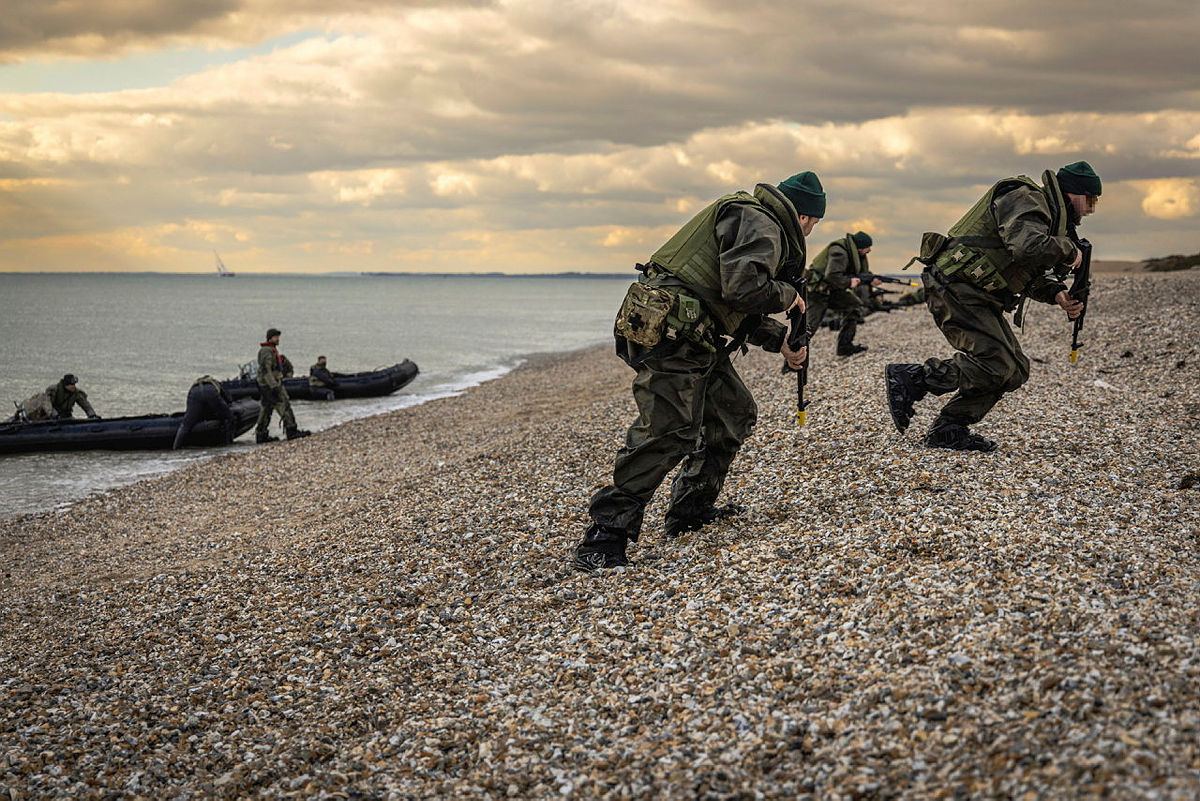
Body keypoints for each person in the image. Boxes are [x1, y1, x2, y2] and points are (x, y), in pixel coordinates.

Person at [573, 171, 825, 571]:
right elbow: (743, 289)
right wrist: (789, 296)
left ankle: (689, 511)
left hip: (694, 334)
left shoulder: (753, 217)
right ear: (808, 218)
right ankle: (604, 536)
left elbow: (724, 299)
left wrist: (779, 339)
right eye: (813, 224)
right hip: (676, 335)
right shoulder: (762, 222)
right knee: (669, 429)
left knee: (732, 414)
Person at [886, 161, 1100, 452]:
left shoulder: (1045, 218)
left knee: (1015, 370)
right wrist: (1068, 250)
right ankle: (914, 378)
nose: (1091, 209)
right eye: (1090, 200)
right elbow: (1026, 247)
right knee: (996, 364)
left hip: (976, 294)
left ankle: (949, 428)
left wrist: (1057, 294)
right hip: (955, 287)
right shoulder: (1025, 197)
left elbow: (1024, 270)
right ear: (1072, 193)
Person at [804, 231, 879, 357]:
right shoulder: (840, 252)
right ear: (860, 247)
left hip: (832, 290)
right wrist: (850, 282)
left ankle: (845, 346)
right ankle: (791, 361)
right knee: (809, 327)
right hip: (818, 291)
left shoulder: (850, 252)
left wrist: (871, 280)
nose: (869, 250)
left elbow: (856, 273)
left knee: (854, 306)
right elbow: (832, 276)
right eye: (867, 247)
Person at [254, 328, 310, 443]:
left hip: (268, 384)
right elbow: (266, 370)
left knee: (267, 408)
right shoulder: (267, 351)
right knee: (283, 405)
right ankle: (291, 430)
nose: (278, 339)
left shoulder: (271, 350)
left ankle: (261, 434)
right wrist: (273, 386)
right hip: (271, 385)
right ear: (270, 338)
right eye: (276, 337)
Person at [173, 376, 235, 450]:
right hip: (211, 393)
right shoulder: (215, 383)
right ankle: (228, 442)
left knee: (185, 425)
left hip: (195, 394)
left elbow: (189, 405)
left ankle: (176, 447)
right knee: (229, 418)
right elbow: (228, 400)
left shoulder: (195, 386)